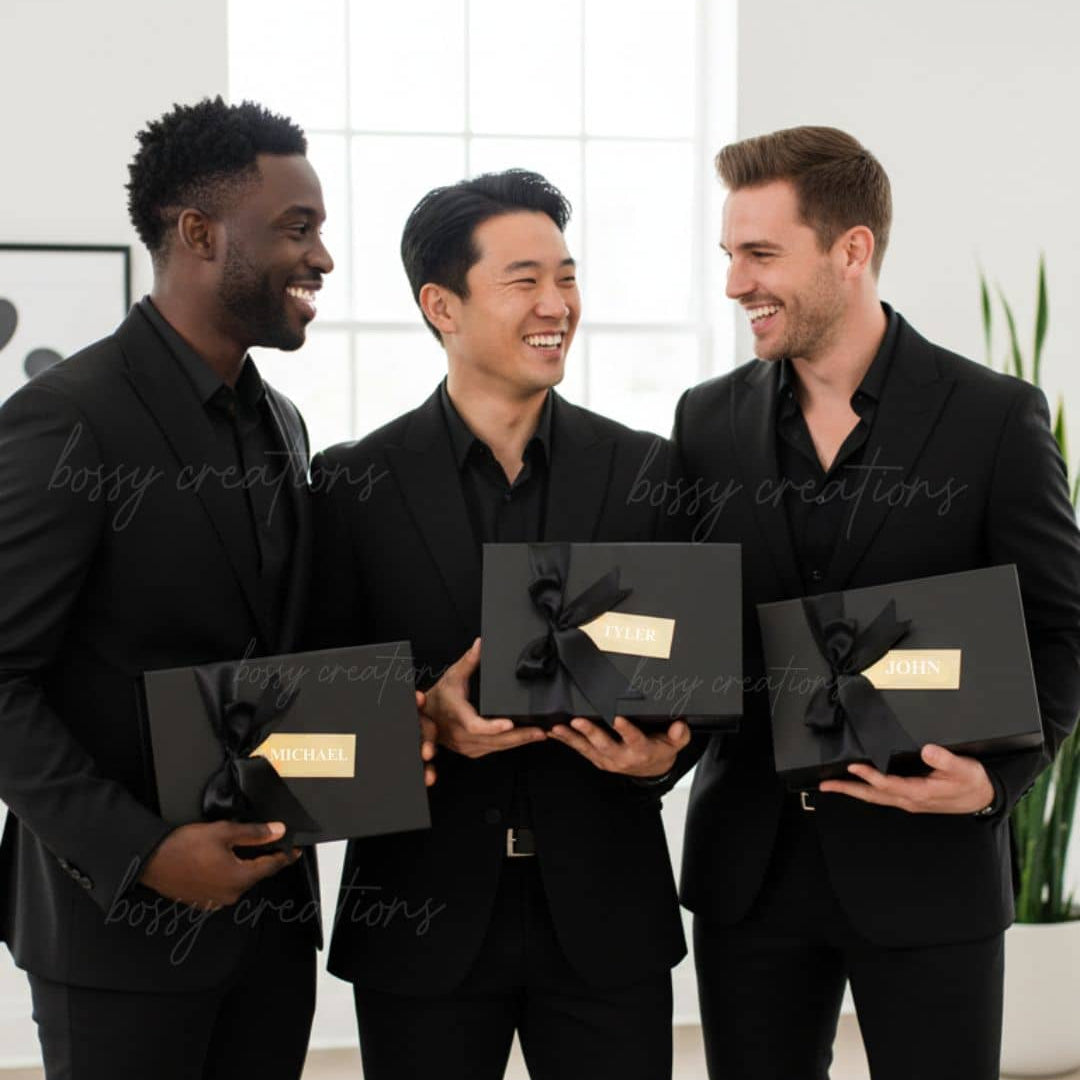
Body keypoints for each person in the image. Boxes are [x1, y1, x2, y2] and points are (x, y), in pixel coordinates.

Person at [668, 125, 1080, 1080]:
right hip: (750, 876)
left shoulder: (993, 419)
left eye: (761, 254)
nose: (735, 284)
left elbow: (1062, 629)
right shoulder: (703, 421)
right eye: (729, 254)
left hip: (930, 872)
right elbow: (689, 630)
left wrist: (997, 785)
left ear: (852, 251)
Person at [308, 169, 689, 1080]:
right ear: (442, 305)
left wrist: (665, 758)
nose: (556, 304)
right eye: (525, 281)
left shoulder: (650, 470)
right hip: (419, 918)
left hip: (608, 916)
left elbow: (692, 674)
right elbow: (312, 710)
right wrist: (416, 722)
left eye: (567, 276)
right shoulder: (352, 484)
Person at [0, 97, 335, 1080]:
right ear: (199, 233)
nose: (321, 258)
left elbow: (276, 662)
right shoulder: (66, 420)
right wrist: (146, 853)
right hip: (117, 933)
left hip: (271, 931)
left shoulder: (285, 424)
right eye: (297, 227)